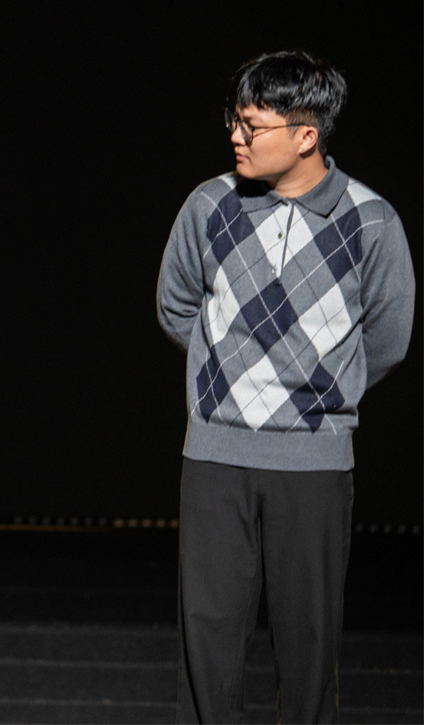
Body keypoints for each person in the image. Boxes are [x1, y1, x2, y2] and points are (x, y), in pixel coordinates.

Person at [157, 50, 415, 723]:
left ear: (306, 136)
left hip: (315, 464)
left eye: (252, 125)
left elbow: (388, 338)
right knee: (207, 649)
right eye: (234, 119)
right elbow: (176, 306)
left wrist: (321, 393)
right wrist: (230, 372)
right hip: (215, 457)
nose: (235, 135)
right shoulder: (209, 205)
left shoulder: (371, 221)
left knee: (308, 650)